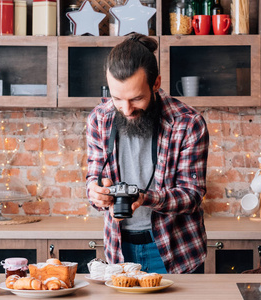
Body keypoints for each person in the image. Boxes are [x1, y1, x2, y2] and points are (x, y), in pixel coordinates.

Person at [86, 33, 209, 274]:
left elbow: (192, 195)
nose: (126, 109)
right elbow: (93, 179)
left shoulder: (188, 123)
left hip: (176, 251)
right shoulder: (98, 119)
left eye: (136, 98)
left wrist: (145, 198)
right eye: (117, 98)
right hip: (119, 249)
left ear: (156, 83)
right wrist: (96, 194)